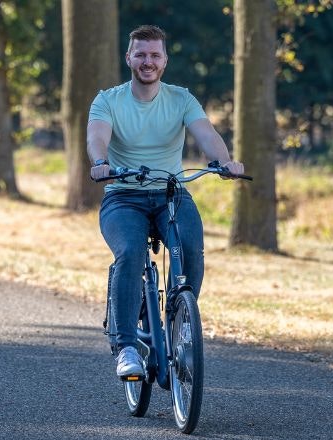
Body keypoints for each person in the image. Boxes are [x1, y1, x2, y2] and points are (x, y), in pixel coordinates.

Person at [87, 25, 244, 379]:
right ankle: (126, 346)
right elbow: (97, 137)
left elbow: (207, 134)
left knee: (191, 246)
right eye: (140, 54)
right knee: (130, 251)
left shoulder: (181, 99)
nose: (148, 61)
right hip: (123, 196)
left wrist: (224, 161)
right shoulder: (108, 100)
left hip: (170, 192)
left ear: (165, 61)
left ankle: (182, 326)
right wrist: (100, 164)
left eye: (155, 55)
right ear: (128, 58)